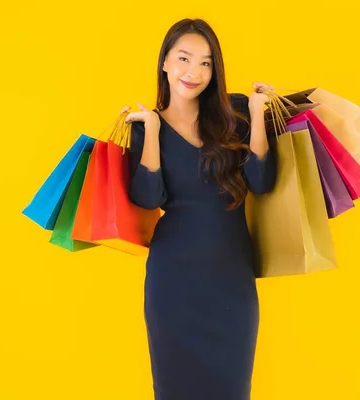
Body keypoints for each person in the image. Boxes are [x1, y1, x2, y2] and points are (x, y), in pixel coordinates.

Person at [122, 18, 277, 400]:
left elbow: (261, 182)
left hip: (231, 278)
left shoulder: (234, 113)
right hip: (173, 281)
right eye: (184, 58)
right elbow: (148, 198)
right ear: (165, 62)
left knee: (232, 388)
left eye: (206, 63)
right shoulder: (145, 126)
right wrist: (155, 132)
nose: (194, 72)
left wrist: (258, 114)